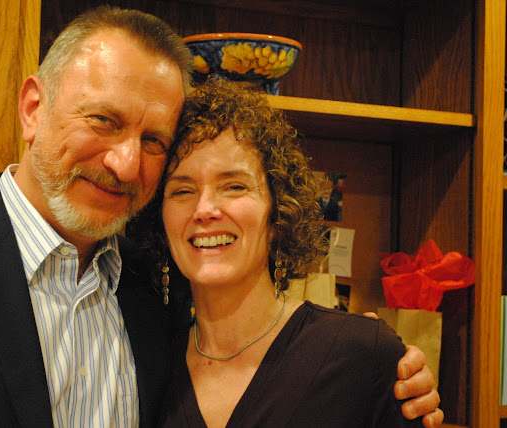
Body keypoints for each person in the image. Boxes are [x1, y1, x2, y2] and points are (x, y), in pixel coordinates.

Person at [0, 6, 441, 427]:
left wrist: (379, 362)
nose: (124, 163)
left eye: (153, 141)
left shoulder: (150, 299)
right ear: (33, 108)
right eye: (104, 120)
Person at [129, 77, 440, 427]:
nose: (204, 210)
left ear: (278, 212)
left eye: (234, 186)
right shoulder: (148, 366)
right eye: (182, 191)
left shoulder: (362, 356)